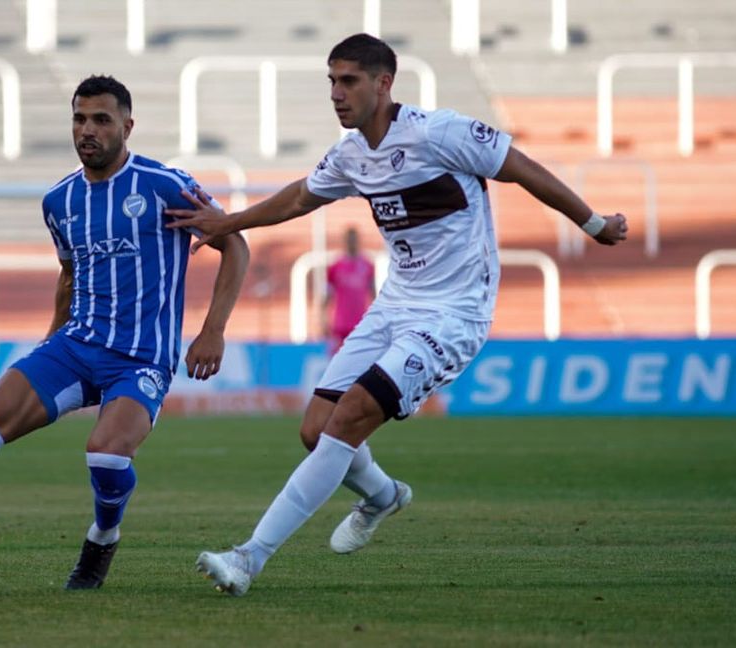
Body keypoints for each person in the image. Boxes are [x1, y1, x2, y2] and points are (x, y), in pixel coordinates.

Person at [165, 33, 628, 596]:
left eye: (349, 81)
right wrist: (229, 222)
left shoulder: (440, 133)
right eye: (331, 81)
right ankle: (384, 496)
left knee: (351, 416)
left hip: (453, 314)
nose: (337, 93)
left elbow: (522, 167)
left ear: (384, 83)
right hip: (396, 305)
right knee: (315, 429)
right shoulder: (352, 155)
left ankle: (248, 558)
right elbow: (298, 198)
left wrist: (594, 223)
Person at [0, 75, 249, 591]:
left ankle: (103, 536)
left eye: (101, 120)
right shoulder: (59, 201)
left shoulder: (163, 184)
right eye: (79, 118)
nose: (88, 130)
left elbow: (234, 244)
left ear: (127, 126)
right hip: (75, 346)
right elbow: (69, 275)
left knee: (105, 454)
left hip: (141, 358)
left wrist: (212, 331)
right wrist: (49, 343)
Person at [325, 226, 375, 354]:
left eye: (354, 240)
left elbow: (373, 295)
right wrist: (324, 321)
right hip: (340, 325)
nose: (351, 242)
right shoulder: (335, 266)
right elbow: (327, 297)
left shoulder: (367, 265)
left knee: (359, 361)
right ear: (344, 241)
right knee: (337, 361)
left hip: (360, 324)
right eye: (349, 240)